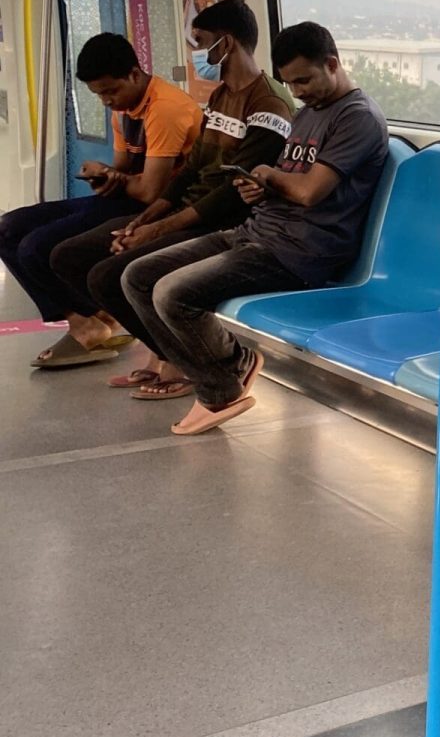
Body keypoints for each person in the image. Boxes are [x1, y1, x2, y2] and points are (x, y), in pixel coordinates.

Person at [121, 22, 389, 436]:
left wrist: (269, 175)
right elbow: (288, 180)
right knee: (137, 276)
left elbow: (309, 192)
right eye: (289, 82)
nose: (296, 91)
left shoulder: (358, 118)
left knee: (172, 294)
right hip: (258, 232)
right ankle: (233, 363)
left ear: (333, 64)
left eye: (303, 80)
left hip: (300, 251)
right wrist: (259, 188)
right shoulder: (309, 113)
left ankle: (219, 389)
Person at [46, 0, 294, 398]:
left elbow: (232, 194)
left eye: (201, 42)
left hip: (221, 222)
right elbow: (193, 168)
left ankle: (198, 364)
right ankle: (171, 354)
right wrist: (146, 219)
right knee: (70, 256)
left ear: (226, 43)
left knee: (111, 276)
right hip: (183, 211)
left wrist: (160, 229)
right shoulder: (221, 95)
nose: (197, 53)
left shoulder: (269, 104)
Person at [0, 33, 203, 370]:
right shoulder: (123, 109)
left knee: (35, 247)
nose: (107, 100)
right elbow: (123, 170)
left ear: (134, 74)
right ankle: (86, 320)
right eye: (99, 94)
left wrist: (116, 179)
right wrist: (103, 175)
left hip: (162, 206)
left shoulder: (166, 108)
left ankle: (101, 319)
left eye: (111, 91)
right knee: (8, 228)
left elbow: (150, 192)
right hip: (127, 198)